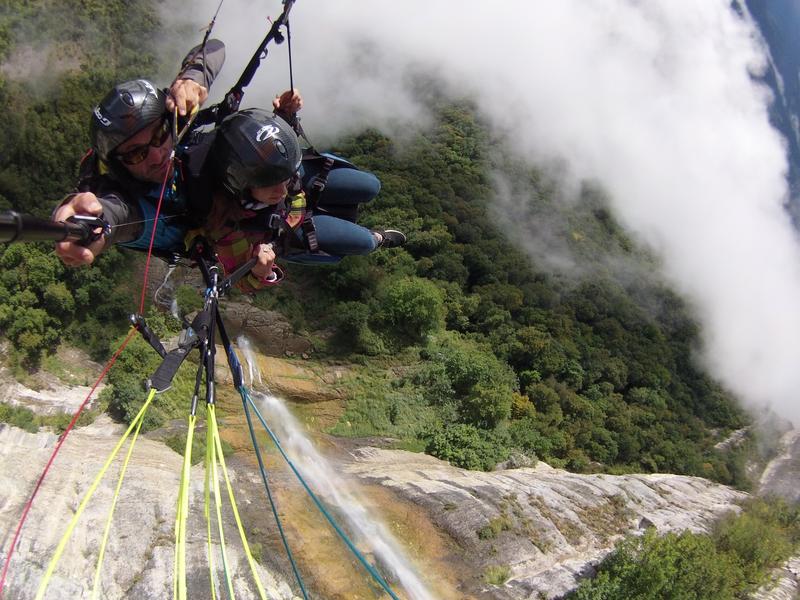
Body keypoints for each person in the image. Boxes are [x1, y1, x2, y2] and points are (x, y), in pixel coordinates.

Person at [195, 107, 405, 292]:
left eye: (282, 179)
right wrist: (262, 271)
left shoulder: (261, 165)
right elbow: (241, 281)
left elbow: (270, 144)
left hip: (303, 186)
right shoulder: (226, 226)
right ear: (242, 186)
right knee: (366, 243)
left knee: (371, 186)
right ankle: (379, 238)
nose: (281, 190)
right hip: (290, 228)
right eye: (270, 183)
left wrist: (285, 114)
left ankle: (324, 198)